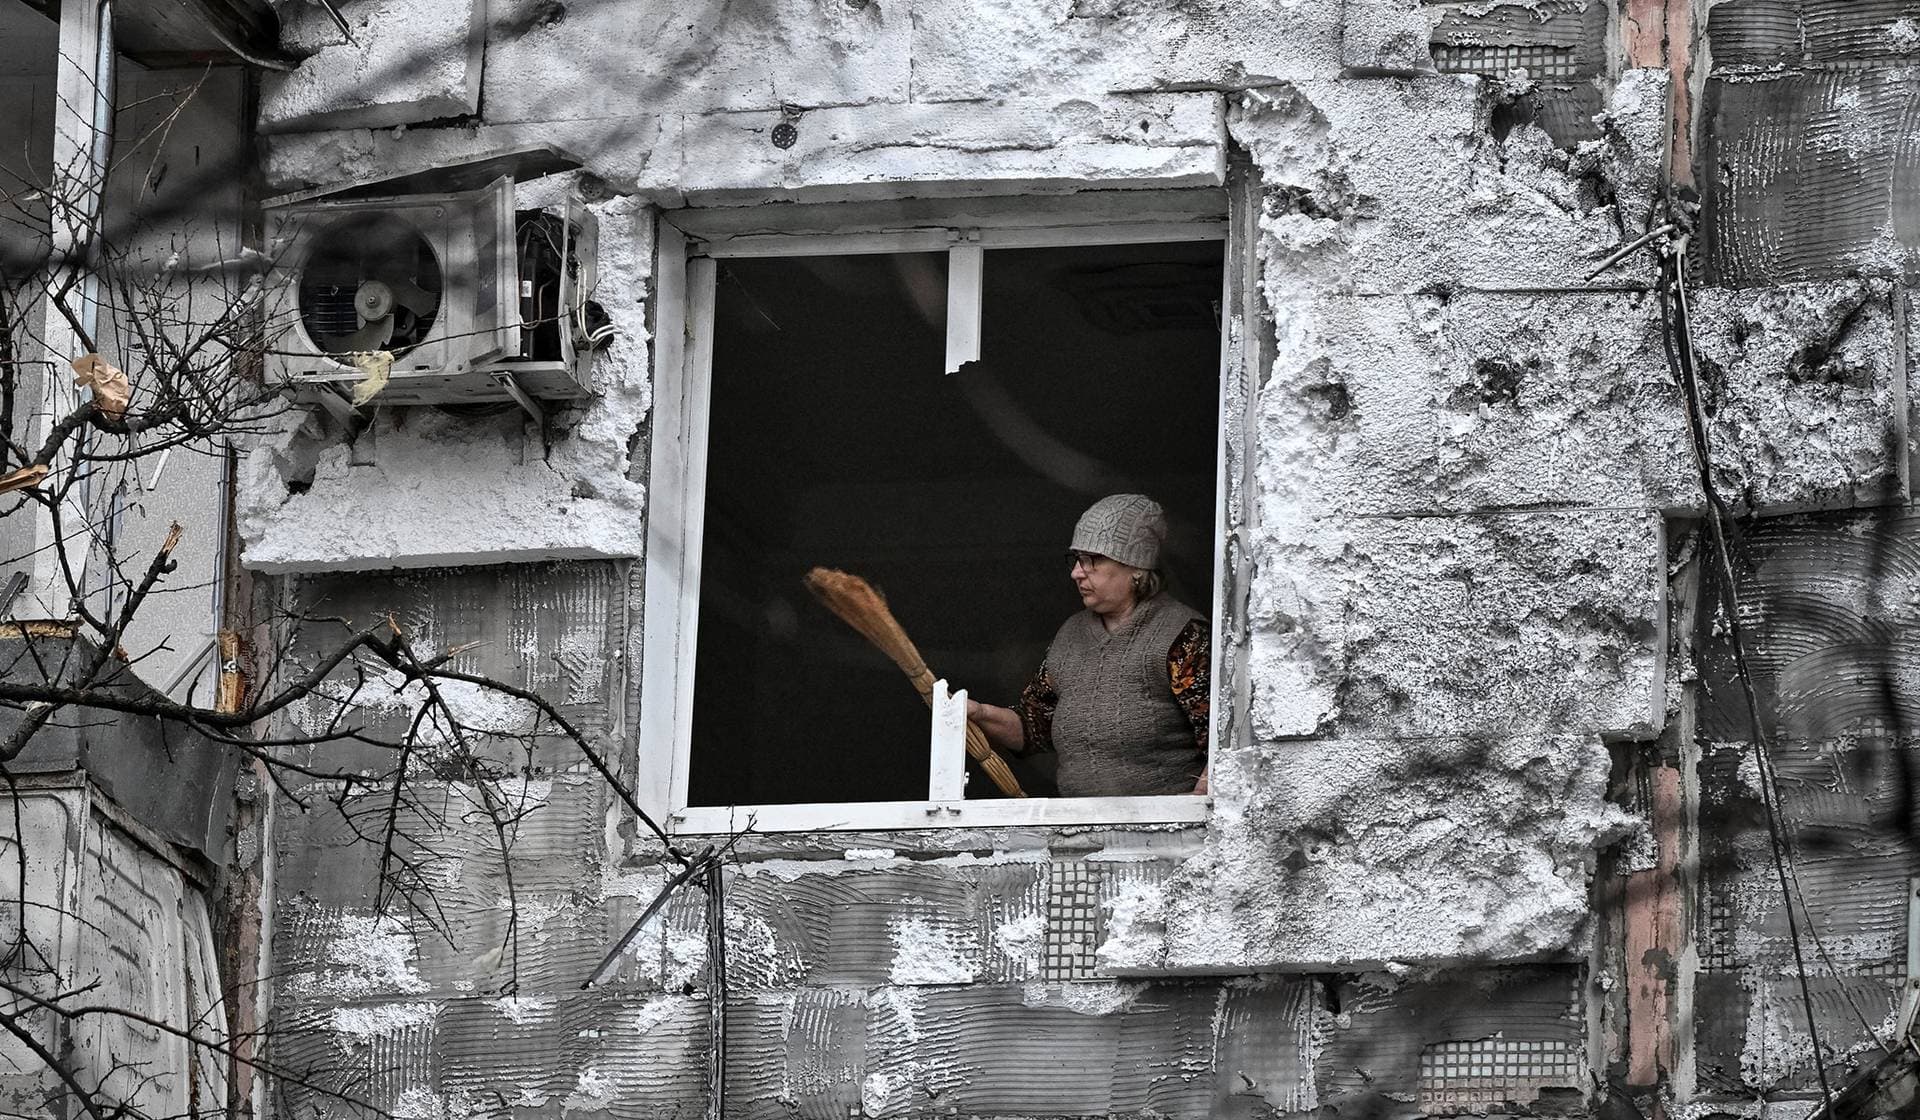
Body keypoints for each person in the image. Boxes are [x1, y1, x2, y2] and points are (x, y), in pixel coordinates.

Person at [968, 494, 1211, 797]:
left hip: (1161, 835)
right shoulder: (1070, 635)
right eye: (1076, 560)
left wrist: (1189, 815)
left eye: (1092, 560)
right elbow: (1035, 728)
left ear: (1136, 568)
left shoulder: (1182, 635)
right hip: (1080, 830)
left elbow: (1220, 743)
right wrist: (978, 713)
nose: (1076, 572)